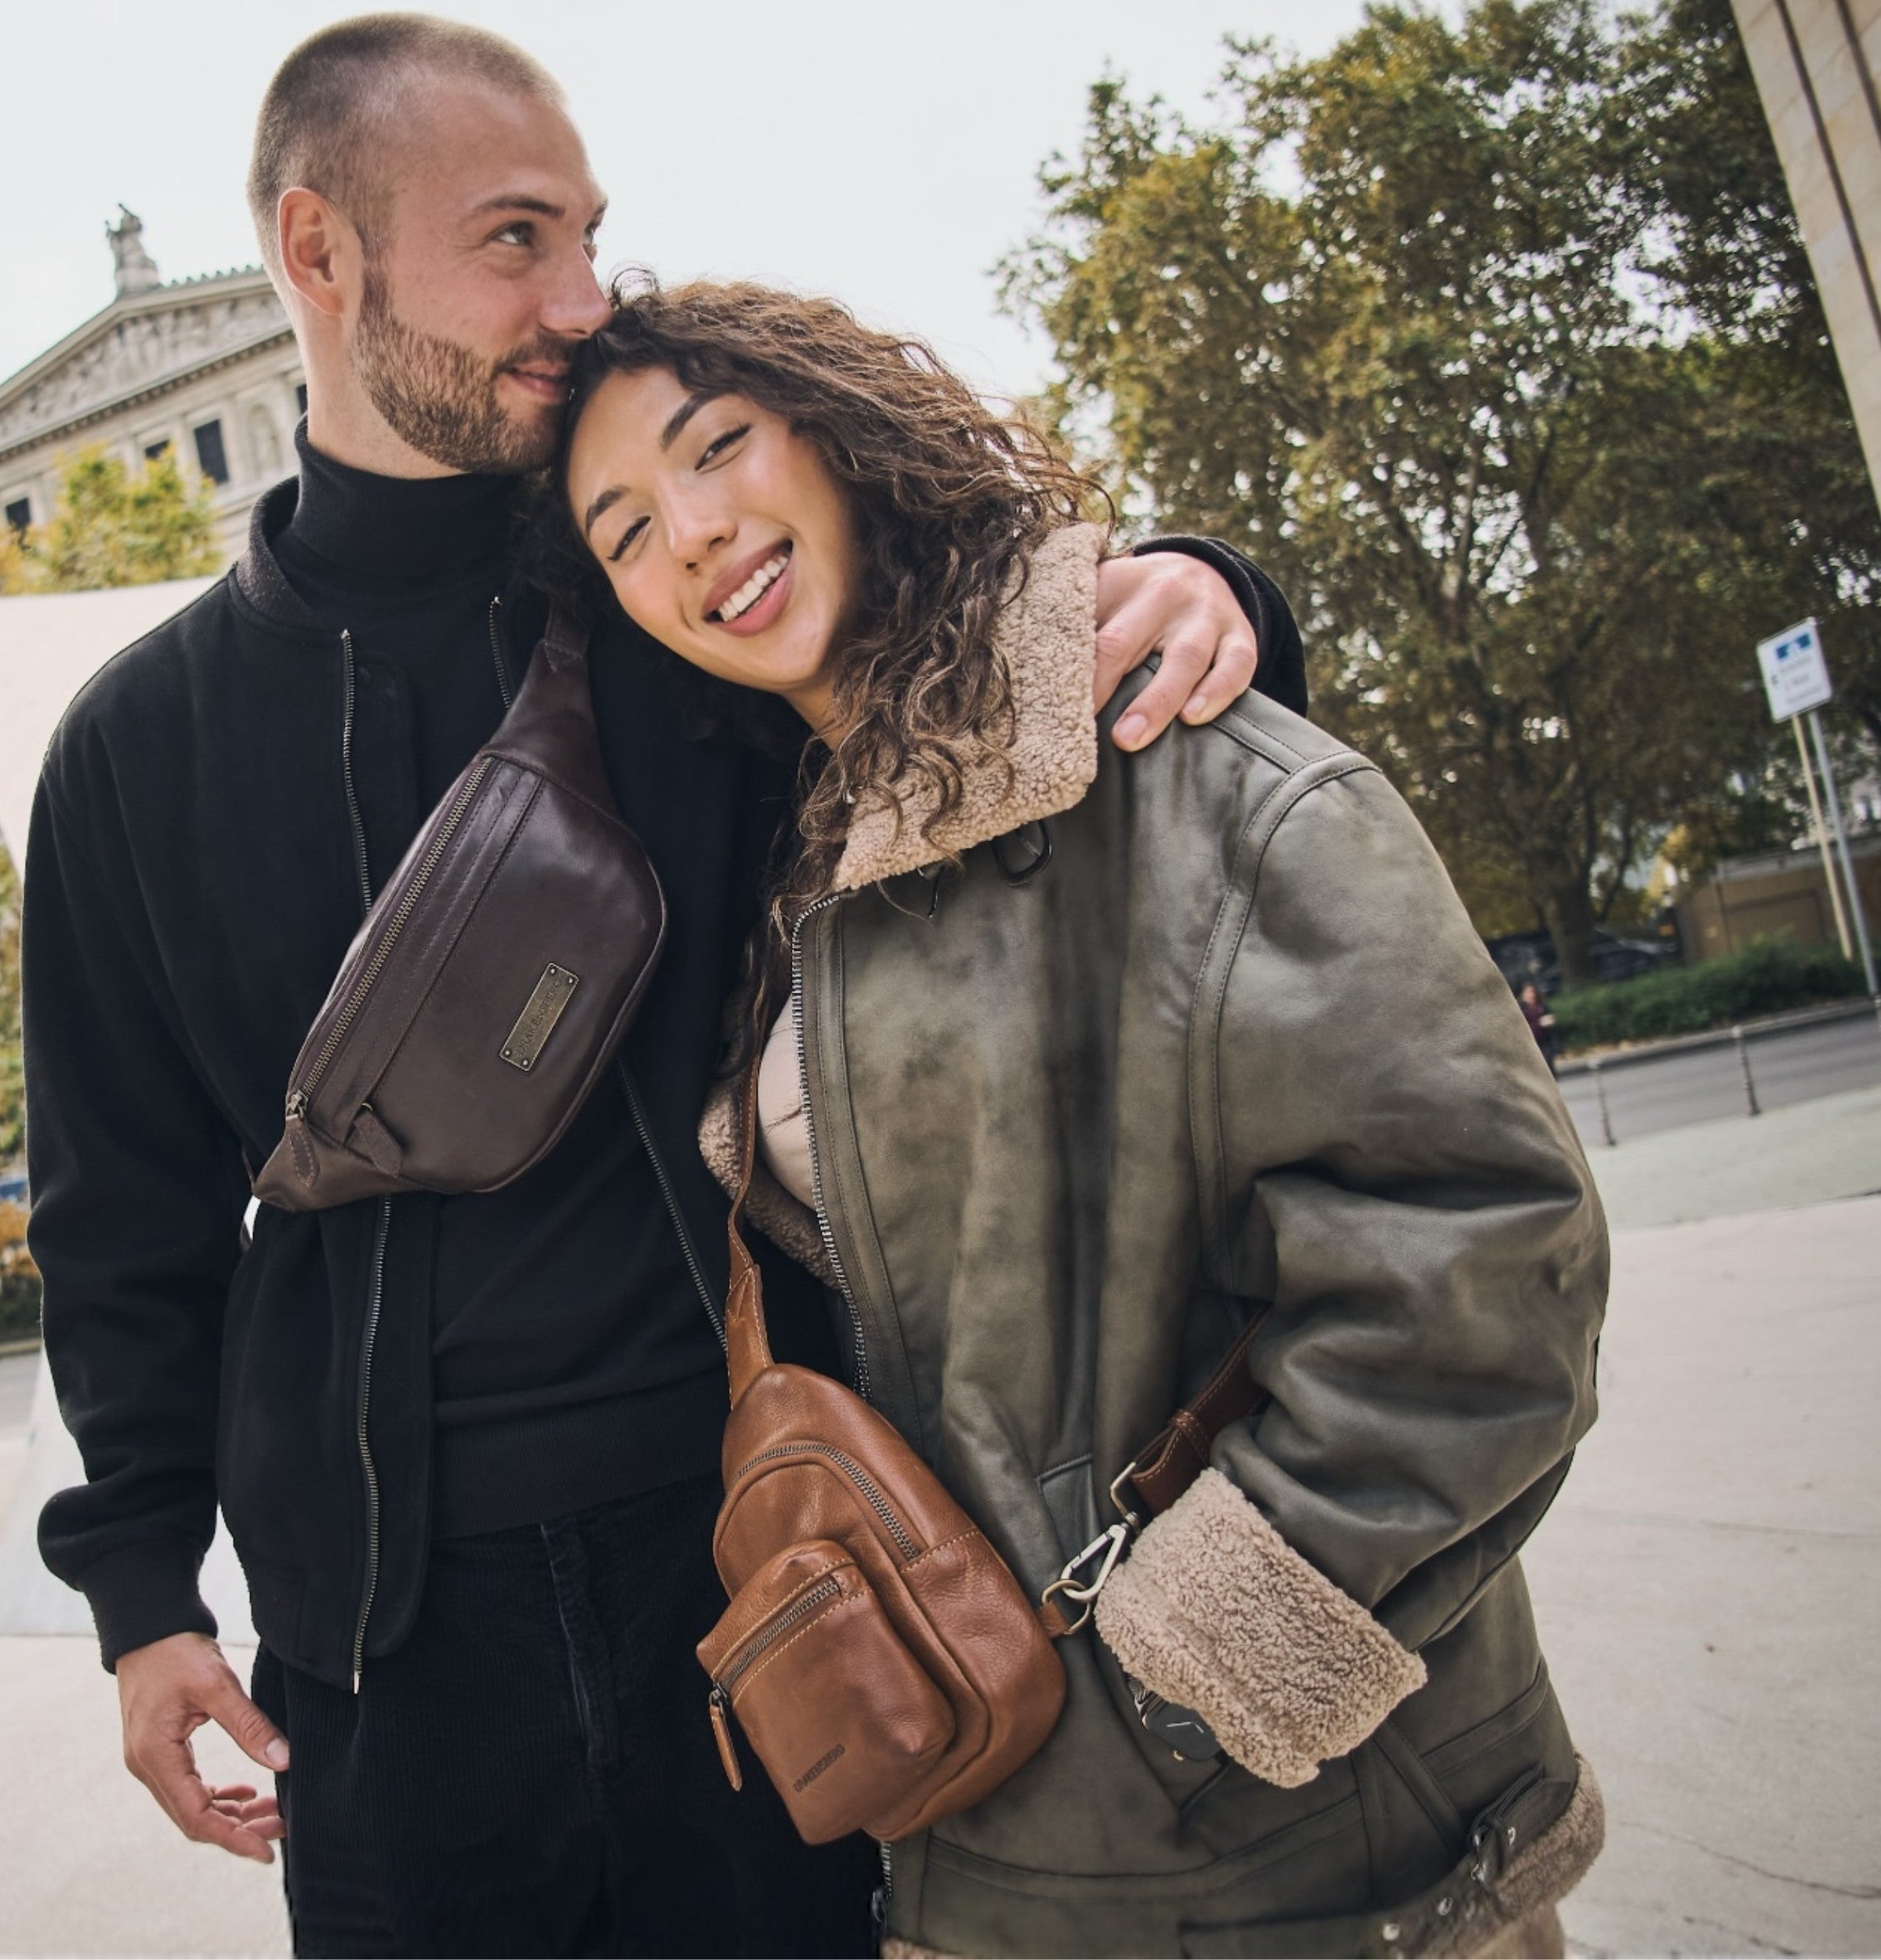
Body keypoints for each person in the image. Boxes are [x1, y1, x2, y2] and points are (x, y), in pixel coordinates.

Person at [24, 17, 1293, 1958]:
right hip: (382, 1657)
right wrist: (140, 1601)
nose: (582, 298)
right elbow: (124, 1217)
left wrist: (1202, 582)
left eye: (589, 233)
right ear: (319, 252)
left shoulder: (676, 607)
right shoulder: (132, 749)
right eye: (516, 239)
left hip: (766, 1552)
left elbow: (979, 651)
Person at [548, 278, 1612, 1960]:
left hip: (1304, 1850)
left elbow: (1474, 1278)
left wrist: (1187, 1684)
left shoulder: (1166, 756)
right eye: (621, 529)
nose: (688, 534)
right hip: (1000, 1854)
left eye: (717, 446)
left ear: (833, 436)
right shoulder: (787, 871)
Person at [1519, 983, 1560, 1068]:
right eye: (1528, 992)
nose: (1531, 995)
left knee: (1549, 1065)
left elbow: (1550, 1017)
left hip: (1544, 1042)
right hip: (1531, 1043)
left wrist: (1549, 1021)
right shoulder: (1521, 1009)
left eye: (1533, 992)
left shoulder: (1541, 1006)